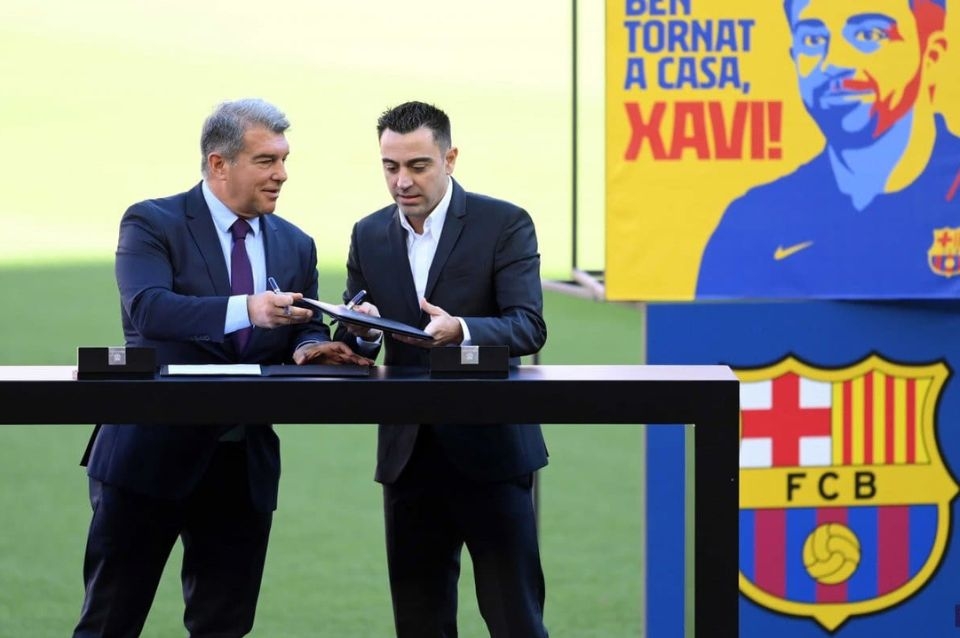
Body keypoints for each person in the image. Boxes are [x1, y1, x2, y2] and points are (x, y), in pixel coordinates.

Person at [73, 98, 371, 637]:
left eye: (284, 159)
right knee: (109, 625)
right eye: (266, 160)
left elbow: (300, 327)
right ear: (219, 164)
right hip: (148, 459)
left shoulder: (295, 243)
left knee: (224, 628)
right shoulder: (152, 222)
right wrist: (247, 308)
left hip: (241, 468)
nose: (281, 174)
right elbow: (149, 309)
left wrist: (312, 346)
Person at [337, 101, 549, 637]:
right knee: (419, 624)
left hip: (492, 452)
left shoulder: (505, 223)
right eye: (390, 167)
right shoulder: (368, 234)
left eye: (418, 166)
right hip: (408, 459)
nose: (402, 181)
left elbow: (528, 326)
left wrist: (462, 330)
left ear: (450, 159)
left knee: (515, 621)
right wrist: (363, 331)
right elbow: (351, 337)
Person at [697, 0, 960, 298]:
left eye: (869, 35)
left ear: (932, 55)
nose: (834, 61)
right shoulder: (751, 226)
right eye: (813, 40)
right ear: (794, 58)